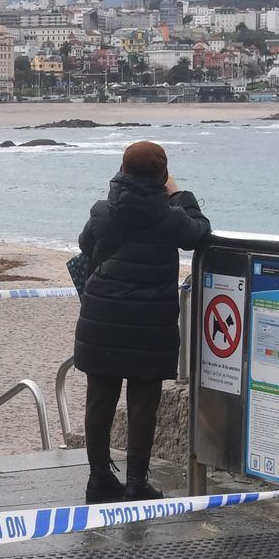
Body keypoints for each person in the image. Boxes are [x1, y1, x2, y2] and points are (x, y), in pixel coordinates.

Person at [72, 140, 212, 503]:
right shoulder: (170, 217)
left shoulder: (102, 211)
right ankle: (136, 481)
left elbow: (86, 243)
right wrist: (178, 193)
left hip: (101, 319)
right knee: (143, 403)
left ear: (122, 170)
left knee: (99, 400)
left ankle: (99, 479)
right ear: (161, 175)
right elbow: (201, 232)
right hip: (150, 323)